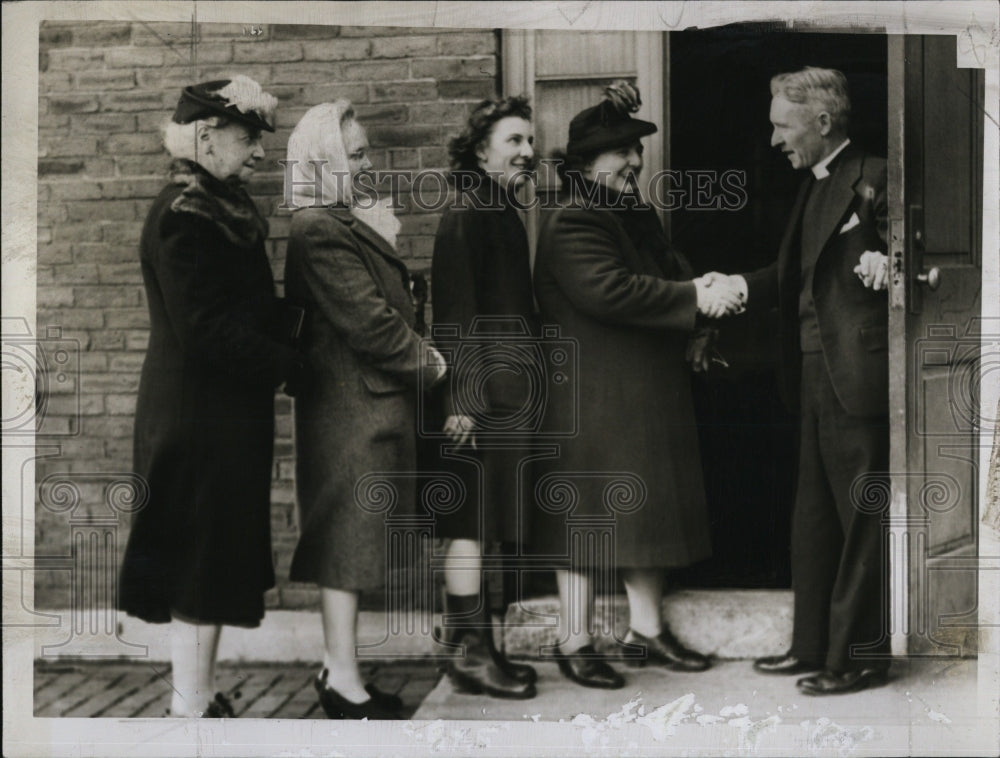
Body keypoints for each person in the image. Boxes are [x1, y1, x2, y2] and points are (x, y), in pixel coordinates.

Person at [531, 82, 740, 689]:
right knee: (584, 524)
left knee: (643, 517)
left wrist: (699, 313)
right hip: (592, 399)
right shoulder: (573, 218)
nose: (635, 162)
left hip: (635, 394)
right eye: (622, 151)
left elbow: (666, 272)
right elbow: (611, 291)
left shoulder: (626, 213)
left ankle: (643, 633)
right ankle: (574, 639)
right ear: (585, 164)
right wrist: (697, 297)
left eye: (637, 151)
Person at [119, 76, 303, 718]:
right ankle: (190, 710)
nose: (258, 152)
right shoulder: (184, 214)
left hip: (217, 416)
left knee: (215, 559)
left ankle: (196, 697)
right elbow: (206, 330)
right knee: (201, 563)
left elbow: (244, 310)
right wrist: (292, 366)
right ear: (205, 136)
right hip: (197, 420)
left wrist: (305, 327)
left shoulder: (215, 205)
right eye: (248, 137)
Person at [711, 67, 891, 695]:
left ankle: (860, 657)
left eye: (781, 127)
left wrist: (888, 262)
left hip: (856, 377)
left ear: (821, 122)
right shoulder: (813, 183)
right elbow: (793, 272)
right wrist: (738, 286)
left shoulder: (877, 174)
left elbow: (917, 249)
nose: (773, 141)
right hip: (814, 376)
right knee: (812, 517)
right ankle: (811, 646)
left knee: (860, 517)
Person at [283, 101, 447, 719]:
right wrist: (430, 363)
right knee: (345, 547)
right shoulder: (318, 228)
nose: (367, 163)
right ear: (322, 161)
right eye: (355, 155)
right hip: (350, 409)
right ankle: (343, 683)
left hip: (362, 406)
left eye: (366, 152)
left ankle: (340, 670)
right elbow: (371, 324)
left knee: (354, 545)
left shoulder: (342, 221)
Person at [427, 96, 540, 700]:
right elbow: (453, 314)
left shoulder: (497, 208)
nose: (527, 151)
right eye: (514, 141)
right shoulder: (468, 211)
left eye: (529, 141)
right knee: (470, 525)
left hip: (501, 394)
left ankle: (479, 648)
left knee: (486, 521)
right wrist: (460, 402)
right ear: (480, 150)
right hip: (477, 402)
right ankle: (468, 654)